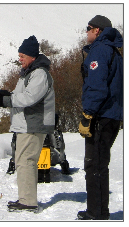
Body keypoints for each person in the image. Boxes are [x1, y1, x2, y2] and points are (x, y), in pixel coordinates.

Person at [0, 35, 55, 211]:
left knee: (26, 161)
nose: (20, 59)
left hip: (33, 124)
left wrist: (6, 100)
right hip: (26, 124)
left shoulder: (39, 73)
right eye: (19, 56)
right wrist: (6, 94)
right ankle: (25, 198)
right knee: (23, 161)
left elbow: (29, 98)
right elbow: (21, 95)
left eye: (23, 56)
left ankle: (28, 202)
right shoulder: (28, 74)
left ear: (32, 56)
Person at [78, 15, 123, 220]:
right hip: (113, 115)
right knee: (100, 164)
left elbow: (96, 86)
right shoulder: (114, 51)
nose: (86, 31)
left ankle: (96, 214)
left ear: (97, 30)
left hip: (101, 116)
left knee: (94, 165)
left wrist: (88, 114)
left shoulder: (100, 50)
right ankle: (100, 212)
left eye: (88, 28)